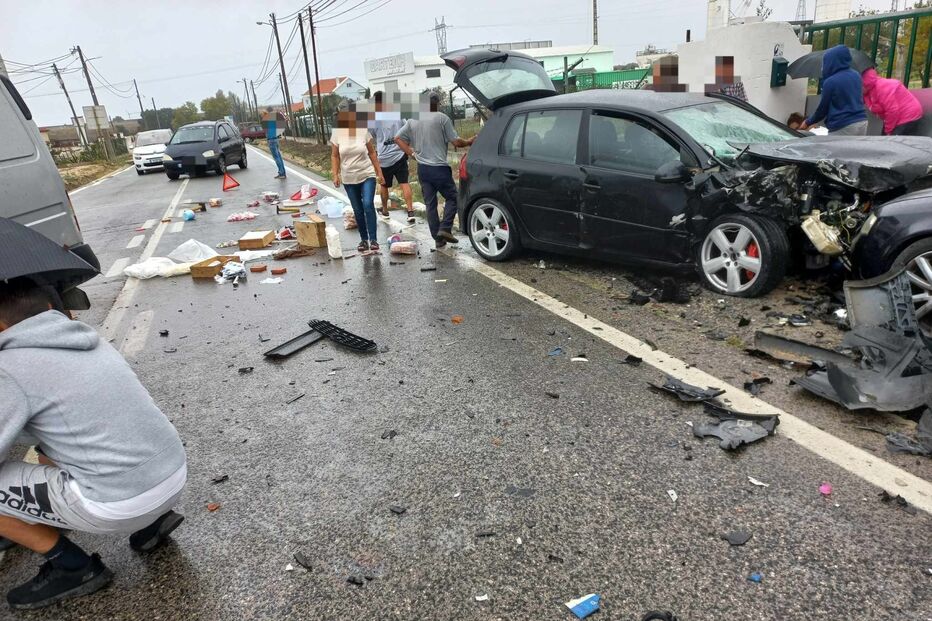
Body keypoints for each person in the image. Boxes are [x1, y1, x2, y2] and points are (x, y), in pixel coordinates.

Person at [0, 277, 187, 609]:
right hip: (171, 475)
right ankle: (152, 524)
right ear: (47, 308)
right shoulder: (88, 340)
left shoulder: (8, 368)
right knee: (56, 442)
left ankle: (71, 566)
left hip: (122, 502)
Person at [394, 93, 475, 248]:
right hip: (439, 169)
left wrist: (411, 153)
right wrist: (470, 141)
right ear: (437, 103)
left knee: (430, 204)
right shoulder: (441, 118)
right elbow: (456, 142)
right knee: (454, 198)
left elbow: (397, 138)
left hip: (423, 169)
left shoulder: (412, 120)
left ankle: (438, 239)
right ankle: (445, 228)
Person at [331, 103, 385, 252]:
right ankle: (363, 240)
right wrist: (335, 174)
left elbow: (372, 153)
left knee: (368, 204)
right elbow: (335, 156)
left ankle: (373, 239)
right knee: (358, 209)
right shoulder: (337, 133)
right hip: (348, 177)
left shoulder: (362, 130)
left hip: (366, 174)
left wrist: (379, 172)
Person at [800, 45, 868, 135]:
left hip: (843, 125)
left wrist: (807, 122)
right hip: (862, 122)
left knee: (834, 149)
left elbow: (822, 109)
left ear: (831, 62)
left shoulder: (830, 82)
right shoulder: (856, 75)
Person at [372, 91, 416, 224]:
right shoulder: (397, 115)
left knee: (384, 185)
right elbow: (407, 128)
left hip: (384, 158)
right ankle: (410, 211)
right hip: (399, 154)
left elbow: (373, 136)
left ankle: (385, 211)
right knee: (404, 183)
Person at [861, 67, 924, 135]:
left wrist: (888, 131)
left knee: (893, 142)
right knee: (884, 139)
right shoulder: (867, 92)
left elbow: (892, 110)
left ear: (865, 83)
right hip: (894, 117)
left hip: (907, 116)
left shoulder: (882, 88)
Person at [262, 107, 287, 179]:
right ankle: (283, 172)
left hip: (271, 140)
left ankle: (281, 173)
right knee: (279, 157)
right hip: (276, 140)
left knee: (276, 158)